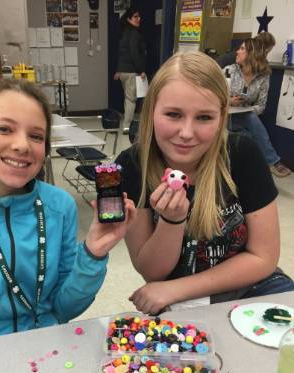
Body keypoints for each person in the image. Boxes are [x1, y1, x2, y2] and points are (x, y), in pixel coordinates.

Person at [0, 78, 136, 349]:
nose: (22, 145)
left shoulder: (60, 206)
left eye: (36, 136)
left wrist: (93, 254)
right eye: (4, 129)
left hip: (47, 347)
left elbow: (64, 308)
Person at [116, 51, 294, 315]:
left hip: (250, 288)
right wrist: (172, 221)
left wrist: (174, 289)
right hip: (178, 302)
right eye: (174, 114)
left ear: (222, 117)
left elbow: (264, 257)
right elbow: (152, 270)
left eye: (204, 117)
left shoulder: (242, 154)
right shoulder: (132, 166)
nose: (186, 133)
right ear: (152, 110)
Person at [225, 38, 291, 177]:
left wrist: (245, 108)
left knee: (248, 132)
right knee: (250, 119)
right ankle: (273, 162)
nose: (237, 51)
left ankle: (254, 175)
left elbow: (261, 106)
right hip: (224, 117)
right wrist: (230, 101)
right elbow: (212, 96)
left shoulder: (263, 77)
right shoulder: (229, 71)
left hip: (244, 121)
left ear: (252, 54)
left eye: (242, 49)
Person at [113, 7, 146, 132]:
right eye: (136, 17)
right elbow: (134, 54)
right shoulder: (134, 33)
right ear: (129, 19)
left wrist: (118, 70)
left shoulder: (125, 32)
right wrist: (141, 70)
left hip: (123, 72)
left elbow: (122, 53)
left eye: (139, 16)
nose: (139, 19)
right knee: (131, 100)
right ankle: (127, 127)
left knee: (128, 98)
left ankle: (127, 124)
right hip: (131, 71)